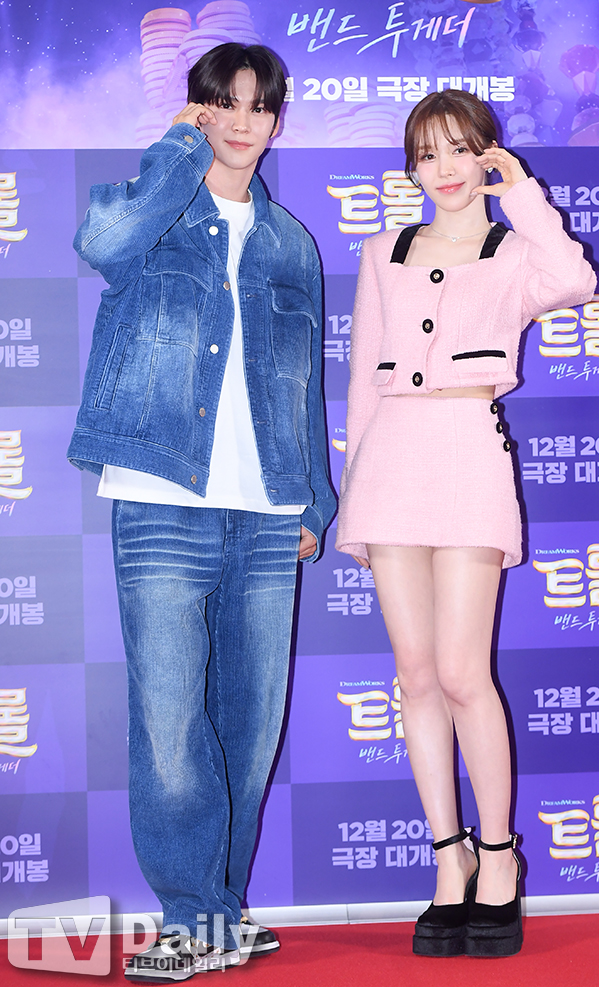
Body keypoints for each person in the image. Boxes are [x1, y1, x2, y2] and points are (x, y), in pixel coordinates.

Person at [68, 43, 336, 983]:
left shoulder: (290, 243)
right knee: (172, 721)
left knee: (251, 725)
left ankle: (221, 912)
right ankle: (190, 913)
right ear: (198, 109)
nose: (242, 121)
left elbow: (304, 386)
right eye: (224, 102)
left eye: (259, 107)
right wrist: (176, 152)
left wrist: (315, 498)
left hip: (266, 507)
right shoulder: (160, 205)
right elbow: (101, 241)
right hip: (160, 497)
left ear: (277, 121)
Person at [336, 89, 595, 958]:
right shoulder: (383, 250)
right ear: (410, 168)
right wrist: (354, 498)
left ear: (486, 153)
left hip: (467, 458)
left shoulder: (515, 250)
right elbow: (362, 381)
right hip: (390, 467)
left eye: (459, 149)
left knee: (460, 670)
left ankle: (498, 856)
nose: (443, 169)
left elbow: (576, 281)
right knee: (414, 674)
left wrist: (521, 193)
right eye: (426, 154)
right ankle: (448, 861)